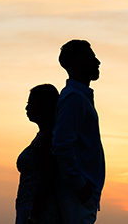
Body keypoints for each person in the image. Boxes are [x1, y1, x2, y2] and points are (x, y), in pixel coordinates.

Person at [52, 40, 105, 224]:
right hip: (76, 196)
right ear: (74, 62)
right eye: (90, 57)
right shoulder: (74, 97)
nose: (97, 62)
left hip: (80, 195)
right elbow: (61, 144)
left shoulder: (78, 97)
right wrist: (80, 187)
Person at [16, 84, 61, 224]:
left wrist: (34, 217)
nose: (27, 108)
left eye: (31, 103)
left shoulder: (47, 139)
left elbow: (45, 180)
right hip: (30, 209)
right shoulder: (42, 137)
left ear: (44, 105)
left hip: (39, 212)